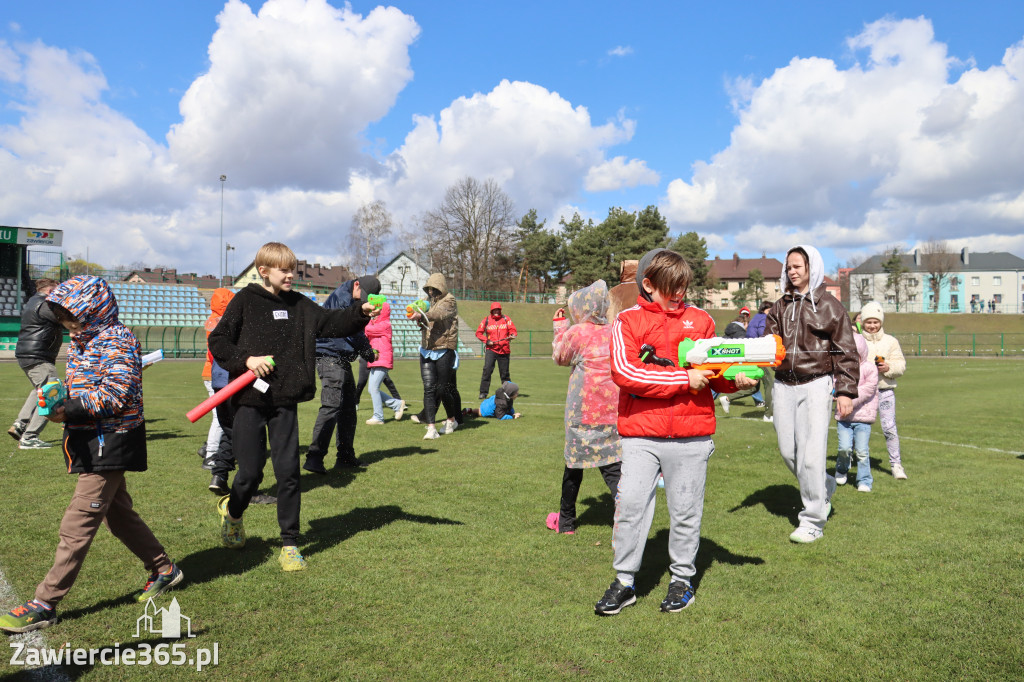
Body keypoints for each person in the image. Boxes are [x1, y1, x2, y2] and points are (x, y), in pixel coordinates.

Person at [0, 276, 182, 634]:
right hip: (93, 438)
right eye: (62, 316)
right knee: (119, 515)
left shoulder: (117, 339)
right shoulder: (85, 339)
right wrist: (60, 395)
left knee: (78, 523)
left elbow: (116, 395)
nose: (67, 323)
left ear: (94, 309)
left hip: (111, 438)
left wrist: (69, 409)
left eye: (73, 315)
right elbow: (90, 386)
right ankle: (164, 569)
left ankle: (45, 602)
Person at [594, 249, 756, 616]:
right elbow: (626, 372)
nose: (680, 293)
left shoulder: (701, 320)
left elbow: (717, 372)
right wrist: (684, 378)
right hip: (640, 435)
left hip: (692, 435)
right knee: (631, 506)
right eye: (672, 287)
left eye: (684, 285)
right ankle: (624, 582)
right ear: (648, 285)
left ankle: (681, 581)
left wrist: (735, 380)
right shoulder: (627, 322)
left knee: (685, 512)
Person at [208, 243, 376, 572]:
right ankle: (234, 513)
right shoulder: (246, 301)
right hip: (250, 401)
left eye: (293, 269)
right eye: (284, 269)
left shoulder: (300, 305)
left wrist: (360, 313)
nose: (290, 275)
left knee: (288, 474)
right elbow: (219, 340)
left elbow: (333, 323)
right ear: (264, 271)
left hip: (284, 402)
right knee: (250, 474)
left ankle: (289, 543)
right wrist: (248, 360)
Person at [766, 245, 859, 544]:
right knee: (788, 452)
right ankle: (824, 484)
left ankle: (813, 519)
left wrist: (845, 391)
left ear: (811, 268)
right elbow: (767, 345)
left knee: (811, 455)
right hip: (783, 384)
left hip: (817, 384)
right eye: (789, 267)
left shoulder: (830, 305)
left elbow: (846, 351)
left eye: (798, 266)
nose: (792, 272)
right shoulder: (779, 307)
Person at [547, 280, 621, 536]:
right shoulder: (614, 332)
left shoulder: (577, 332)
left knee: (573, 467)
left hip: (582, 414)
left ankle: (566, 522)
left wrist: (560, 328)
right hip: (612, 413)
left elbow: (560, 357)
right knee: (613, 468)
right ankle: (626, 522)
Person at [303, 276, 380, 473]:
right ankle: (314, 457)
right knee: (332, 405)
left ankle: (345, 457)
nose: (361, 302)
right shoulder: (343, 299)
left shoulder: (349, 298)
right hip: (328, 355)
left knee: (348, 409)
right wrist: (368, 352)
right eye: (361, 297)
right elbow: (352, 332)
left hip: (340, 357)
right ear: (356, 285)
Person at [10, 278, 62, 449]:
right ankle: (30, 437)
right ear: (49, 291)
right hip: (38, 355)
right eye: (57, 291)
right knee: (51, 393)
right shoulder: (45, 305)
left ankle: (20, 425)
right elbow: (64, 319)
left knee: (39, 390)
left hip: (29, 354)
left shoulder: (33, 301)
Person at [859, 301, 908, 480]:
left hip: (885, 391)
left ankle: (896, 464)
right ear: (863, 322)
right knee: (860, 429)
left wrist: (888, 367)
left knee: (889, 428)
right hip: (863, 394)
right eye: (869, 322)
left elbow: (901, 365)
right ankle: (856, 465)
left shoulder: (891, 341)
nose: (872, 326)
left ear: (881, 322)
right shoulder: (856, 341)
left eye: (876, 322)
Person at [410, 274, 462, 439]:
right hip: (427, 349)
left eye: (434, 288)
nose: (431, 292)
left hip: (444, 348)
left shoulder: (450, 300)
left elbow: (438, 314)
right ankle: (431, 428)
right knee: (428, 388)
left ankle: (451, 419)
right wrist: (419, 320)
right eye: (429, 289)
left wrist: (421, 314)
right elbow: (428, 320)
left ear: (441, 287)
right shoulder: (427, 301)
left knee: (443, 388)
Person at [835, 332, 878, 492]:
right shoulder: (841, 369)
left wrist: (848, 399)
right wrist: (835, 394)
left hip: (863, 419)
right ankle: (841, 469)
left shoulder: (869, 369)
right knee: (844, 448)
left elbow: (868, 389)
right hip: (844, 418)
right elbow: (835, 384)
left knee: (861, 451)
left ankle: (864, 480)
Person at [198, 288, 234, 471]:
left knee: (221, 415)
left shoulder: (212, 319)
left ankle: (210, 447)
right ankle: (211, 453)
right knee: (219, 417)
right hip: (218, 372)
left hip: (211, 371)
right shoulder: (221, 322)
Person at [363, 297, 406, 425]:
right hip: (376, 360)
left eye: (377, 308)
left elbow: (367, 330)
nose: (374, 310)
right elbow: (366, 333)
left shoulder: (385, 325)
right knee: (372, 389)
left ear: (382, 311)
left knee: (374, 388)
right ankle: (397, 404)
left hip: (382, 359)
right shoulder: (376, 323)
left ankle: (378, 416)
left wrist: (368, 317)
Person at [475, 302, 517, 400]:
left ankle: (508, 393)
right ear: (491, 311)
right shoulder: (486, 320)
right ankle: (483, 393)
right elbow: (479, 333)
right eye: (495, 310)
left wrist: (512, 335)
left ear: (500, 310)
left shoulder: (506, 319)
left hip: (504, 350)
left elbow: (513, 331)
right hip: (491, 350)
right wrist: (487, 341)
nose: (497, 312)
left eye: (498, 310)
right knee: (487, 370)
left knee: (505, 373)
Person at [716, 306, 752, 413]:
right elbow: (741, 348)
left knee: (718, 381)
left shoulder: (731, 328)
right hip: (731, 360)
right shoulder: (740, 332)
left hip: (723, 358)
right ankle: (727, 398)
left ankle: (759, 401)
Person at [746, 300, 775, 421]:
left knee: (754, 384)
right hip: (756, 353)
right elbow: (763, 335)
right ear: (765, 309)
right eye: (771, 310)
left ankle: (727, 398)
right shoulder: (763, 318)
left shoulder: (756, 318)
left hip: (751, 351)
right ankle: (768, 415)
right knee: (769, 383)